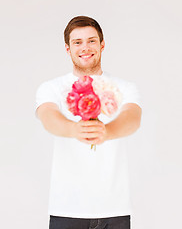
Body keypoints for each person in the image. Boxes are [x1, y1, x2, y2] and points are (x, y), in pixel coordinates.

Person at [35, 16, 142, 229]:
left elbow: (132, 117)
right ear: (68, 49)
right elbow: (48, 116)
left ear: (102, 45)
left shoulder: (125, 87)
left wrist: (107, 132)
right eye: (78, 42)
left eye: (92, 41)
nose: (85, 47)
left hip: (115, 209)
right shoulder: (51, 88)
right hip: (67, 208)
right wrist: (74, 129)